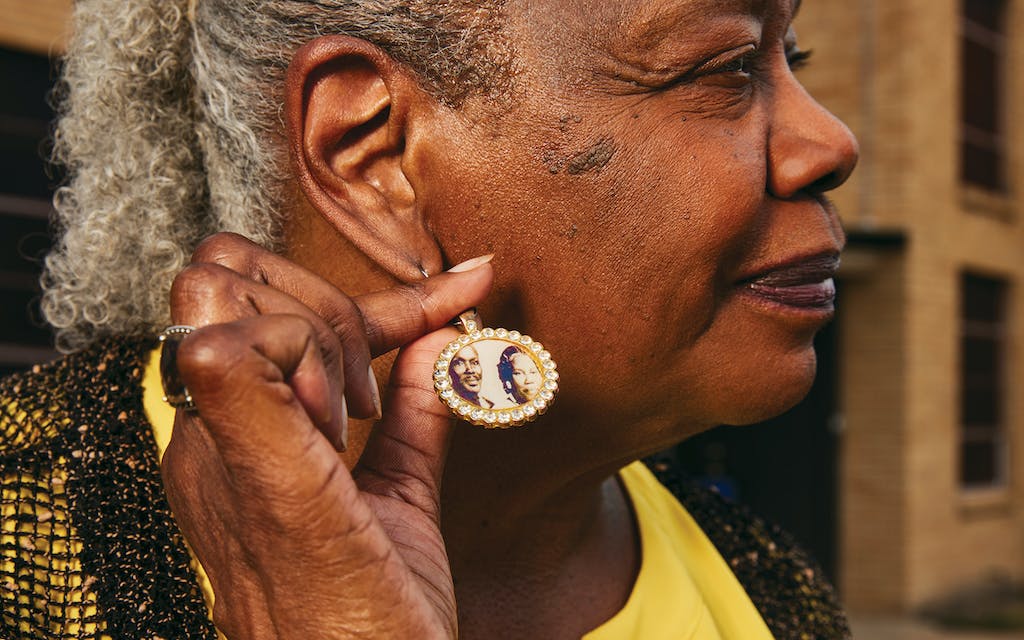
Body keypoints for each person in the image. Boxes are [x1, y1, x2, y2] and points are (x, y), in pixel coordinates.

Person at [0, 0, 858, 637]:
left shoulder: (777, 594)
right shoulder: (26, 561)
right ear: (374, 154)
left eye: (795, 58)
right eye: (726, 70)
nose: (831, 141)